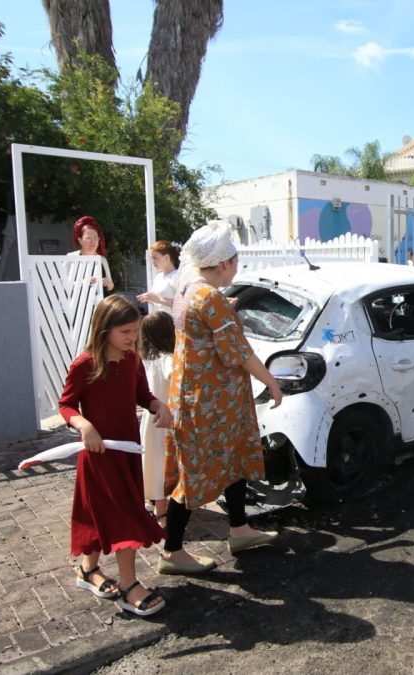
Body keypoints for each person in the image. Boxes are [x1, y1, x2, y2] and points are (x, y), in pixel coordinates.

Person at [161, 222, 285, 575]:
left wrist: (224, 309)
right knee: (195, 472)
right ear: (223, 264)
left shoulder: (188, 289)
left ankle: (240, 529)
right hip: (212, 401)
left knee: (232, 460)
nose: (237, 267)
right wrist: (272, 383)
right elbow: (239, 353)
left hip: (200, 394)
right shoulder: (210, 298)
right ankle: (171, 551)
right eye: (235, 261)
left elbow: (205, 326)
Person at [59, 295, 171, 617]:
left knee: (100, 514)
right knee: (122, 516)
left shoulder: (133, 361)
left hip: (128, 453)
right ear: (105, 329)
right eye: (125, 332)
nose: (132, 338)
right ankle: (129, 586)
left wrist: (158, 406)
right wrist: (84, 425)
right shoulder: (85, 365)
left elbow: (142, 395)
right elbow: (66, 405)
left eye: (135, 331)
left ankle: (87, 570)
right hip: (99, 456)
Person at [139, 311, 175, 525]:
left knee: (151, 460)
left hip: (149, 418)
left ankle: (151, 502)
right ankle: (162, 513)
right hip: (167, 418)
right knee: (164, 463)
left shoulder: (145, 358)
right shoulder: (168, 359)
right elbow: (175, 379)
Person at [68, 216, 114, 291]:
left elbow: (111, 286)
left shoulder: (102, 260)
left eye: (95, 238)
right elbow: (62, 285)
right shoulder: (71, 257)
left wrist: (108, 284)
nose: (93, 241)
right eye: (88, 238)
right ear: (80, 240)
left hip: (99, 302)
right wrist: (83, 282)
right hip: (75, 301)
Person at [137, 241, 180, 314]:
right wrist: (148, 298)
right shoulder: (158, 276)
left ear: (166, 257)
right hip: (160, 320)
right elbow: (158, 302)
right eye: (152, 258)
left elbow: (183, 304)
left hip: (173, 322)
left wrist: (158, 299)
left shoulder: (177, 276)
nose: (152, 261)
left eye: (155, 258)